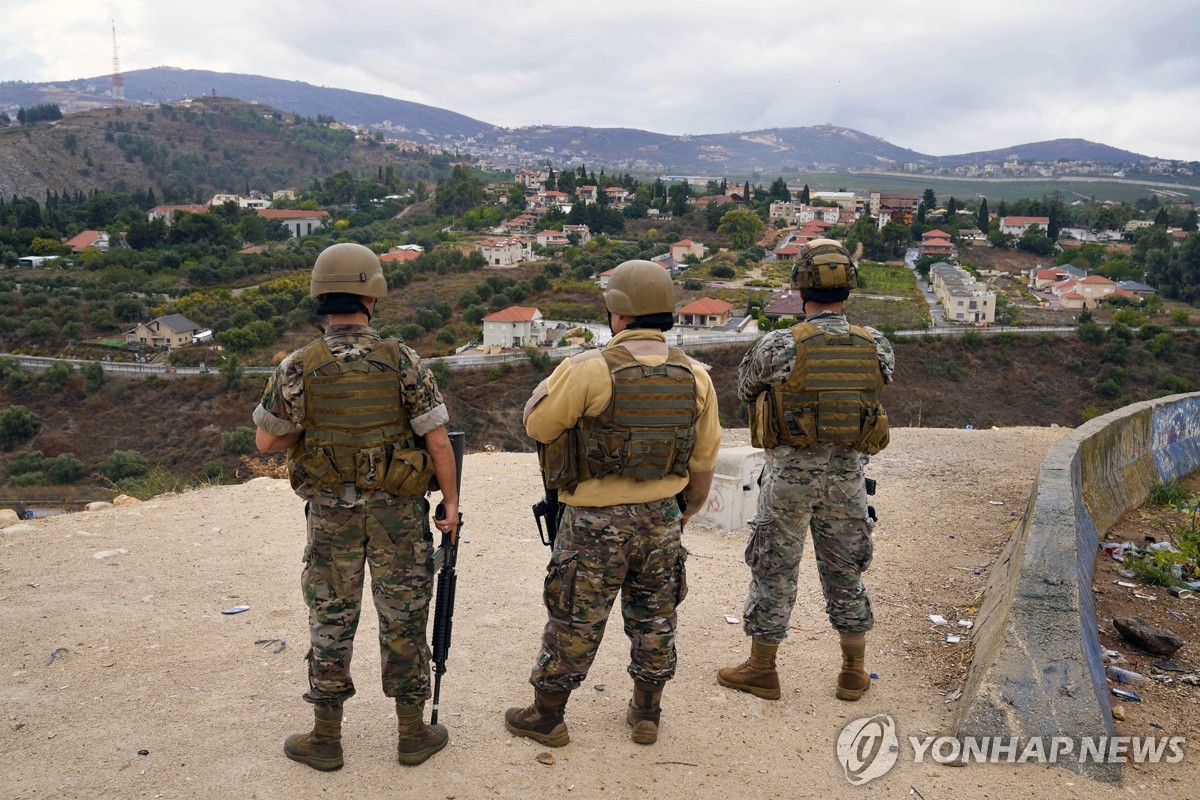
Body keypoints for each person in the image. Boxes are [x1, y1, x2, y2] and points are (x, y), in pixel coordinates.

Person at [252, 242, 460, 770]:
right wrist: (451, 507)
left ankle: (326, 739)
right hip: (399, 517)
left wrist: (316, 428)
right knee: (405, 619)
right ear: (373, 298)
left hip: (330, 519)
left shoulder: (298, 366)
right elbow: (438, 442)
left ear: (321, 299)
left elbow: (267, 444)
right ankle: (413, 735)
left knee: (331, 619)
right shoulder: (404, 360)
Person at [505, 260, 721, 746]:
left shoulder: (588, 369)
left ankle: (547, 716)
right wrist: (685, 511)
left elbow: (538, 428)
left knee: (576, 617)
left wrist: (550, 386)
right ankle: (647, 714)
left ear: (618, 314)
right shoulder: (695, 377)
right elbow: (705, 456)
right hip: (663, 518)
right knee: (656, 617)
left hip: (594, 523)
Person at [717, 238, 894, 702]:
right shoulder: (876, 344)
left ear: (800, 288)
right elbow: (880, 383)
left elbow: (745, 387)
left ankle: (762, 669)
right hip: (848, 480)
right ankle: (853, 672)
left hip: (789, 482)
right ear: (849, 289)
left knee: (774, 567)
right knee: (846, 571)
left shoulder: (779, 344)